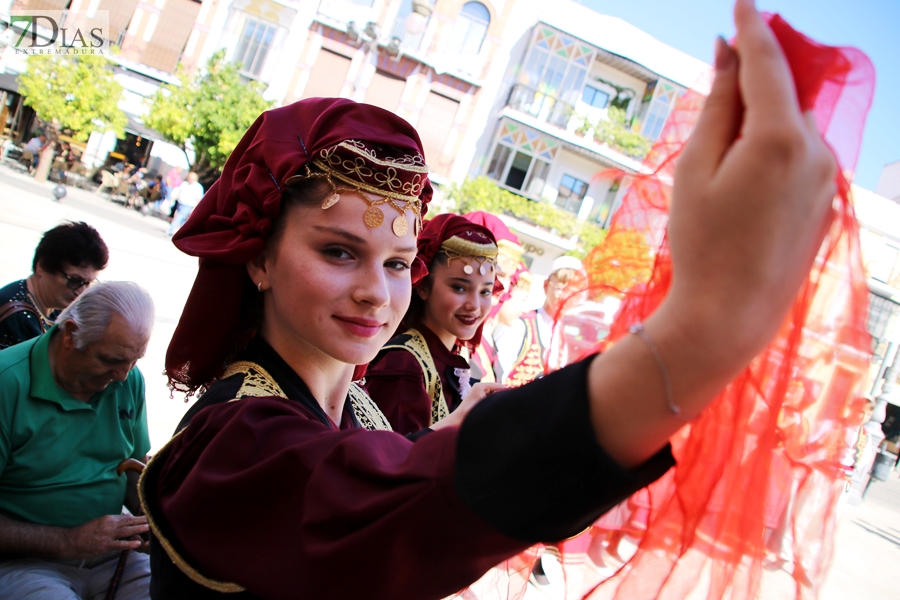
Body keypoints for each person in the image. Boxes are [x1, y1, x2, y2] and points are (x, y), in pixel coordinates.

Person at [140, 0, 839, 595]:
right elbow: (400, 506)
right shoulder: (232, 440)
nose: (374, 292)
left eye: (396, 262)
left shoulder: (347, 402)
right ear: (258, 258)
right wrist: (699, 331)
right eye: (337, 251)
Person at [0, 281, 155, 599]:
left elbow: (134, 474)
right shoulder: (7, 383)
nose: (123, 375)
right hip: (23, 563)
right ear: (70, 334)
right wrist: (67, 541)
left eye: (134, 361)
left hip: (114, 554)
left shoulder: (128, 380)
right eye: (111, 360)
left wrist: (155, 515)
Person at [366, 213, 500, 435]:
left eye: (485, 291)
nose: (474, 305)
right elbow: (393, 461)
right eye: (459, 288)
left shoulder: (451, 357)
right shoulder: (403, 364)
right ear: (424, 287)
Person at [0, 221, 109, 350]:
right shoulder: (15, 316)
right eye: (74, 280)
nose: (81, 292)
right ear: (42, 266)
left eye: (88, 283)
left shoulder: (57, 306)